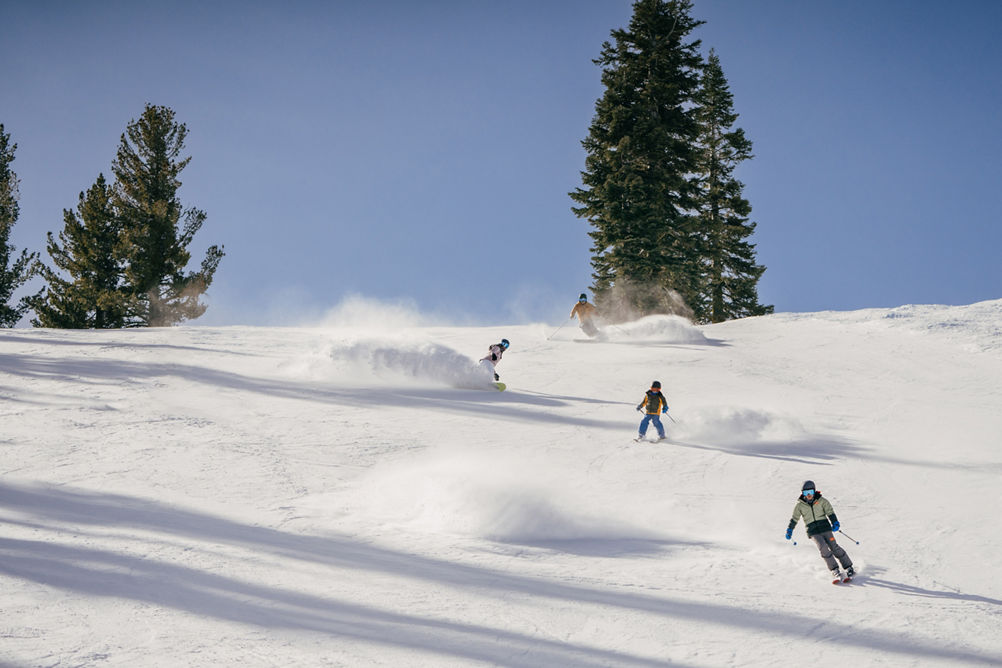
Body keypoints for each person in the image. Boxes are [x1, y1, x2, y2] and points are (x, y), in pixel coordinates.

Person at [786, 480, 856, 581]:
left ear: (814, 491)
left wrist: (835, 522)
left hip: (825, 527)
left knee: (834, 547)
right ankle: (834, 569)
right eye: (806, 493)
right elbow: (794, 518)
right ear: (802, 493)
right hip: (813, 531)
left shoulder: (822, 501)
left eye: (810, 492)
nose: (809, 495)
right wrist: (790, 529)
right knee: (823, 547)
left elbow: (830, 512)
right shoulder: (799, 506)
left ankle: (848, 567)